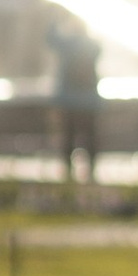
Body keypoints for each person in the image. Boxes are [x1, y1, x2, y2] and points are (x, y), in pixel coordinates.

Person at [50, 16, 104, 183]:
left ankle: (68, 172)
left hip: (69, 101)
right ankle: (91, 171)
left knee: (68, 137)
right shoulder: (93, 46)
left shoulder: (66, 45)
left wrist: (55, 17)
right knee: (90, 137)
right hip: (89, 101)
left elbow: (50, 38)